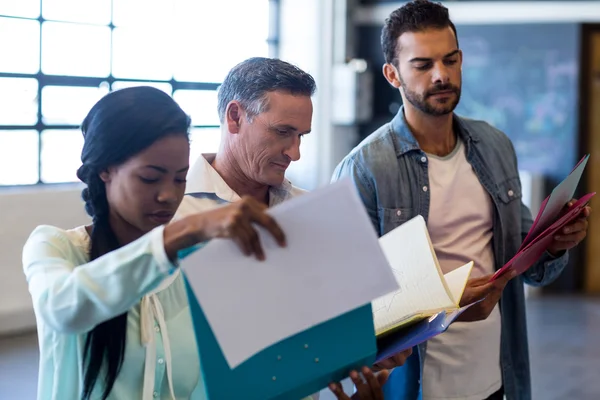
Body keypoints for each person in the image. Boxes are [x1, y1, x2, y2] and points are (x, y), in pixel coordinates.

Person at [22, 86, 387, 400]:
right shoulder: (55, 247)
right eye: (151, 178)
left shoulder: (194, 268)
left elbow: (239, 379)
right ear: (105, 170)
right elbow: (65, 308)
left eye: (180, 179)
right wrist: (178, 235)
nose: (168, 195)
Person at [330, 1, 591, 400]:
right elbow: (349, 304)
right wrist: (445, 302)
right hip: (415, 386)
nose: (441, 75)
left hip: (497, 375)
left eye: (450, 60)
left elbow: (527, 261)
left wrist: (555, 243)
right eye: (422, 65)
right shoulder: (365, 168)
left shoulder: (494, 145)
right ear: (392, 74)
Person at [175, 56, 413, 399]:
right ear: (235, 117)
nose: (295, 153)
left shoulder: (312, 211)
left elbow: (328, 329)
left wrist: (370, 350)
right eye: (283, 132)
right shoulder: (174, 218)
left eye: (301, 136)